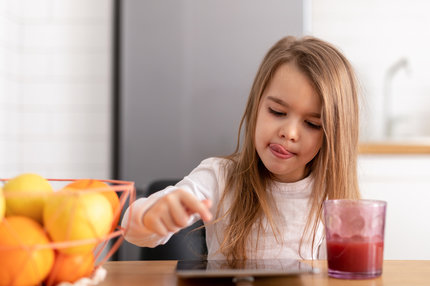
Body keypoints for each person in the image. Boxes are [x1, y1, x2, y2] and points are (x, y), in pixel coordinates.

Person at [121, 35, 361, 261]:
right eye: (277, 112)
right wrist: (151, 217)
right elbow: (131, 224)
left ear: (332, 135)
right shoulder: (219, 176)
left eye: (311, 124)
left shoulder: (331, 198)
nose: (289, 132)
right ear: (256, 106)